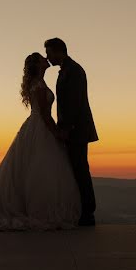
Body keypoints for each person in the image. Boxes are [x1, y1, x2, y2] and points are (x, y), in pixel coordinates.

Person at [0, 53, 81, 231]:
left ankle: (34, 207)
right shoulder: (39, 85)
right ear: (37, 65)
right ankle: (42, 211)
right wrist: (57, 133)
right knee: (41, 169)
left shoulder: (37, 83)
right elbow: (44, 115)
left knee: (33, 169)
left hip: (34, 127)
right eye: (42, 58)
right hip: (40, 128)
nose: (46, 59)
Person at [44, 37, 98, 226]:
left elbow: (74, 103)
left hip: (76, 130)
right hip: (72, 129)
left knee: (80, 168)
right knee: (76, 168)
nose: (47, 57)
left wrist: (67, 128)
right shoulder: (66, 71)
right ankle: (82, 210)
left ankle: (88, 212)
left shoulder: (73, 71)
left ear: (58, 51)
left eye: (49, 52)